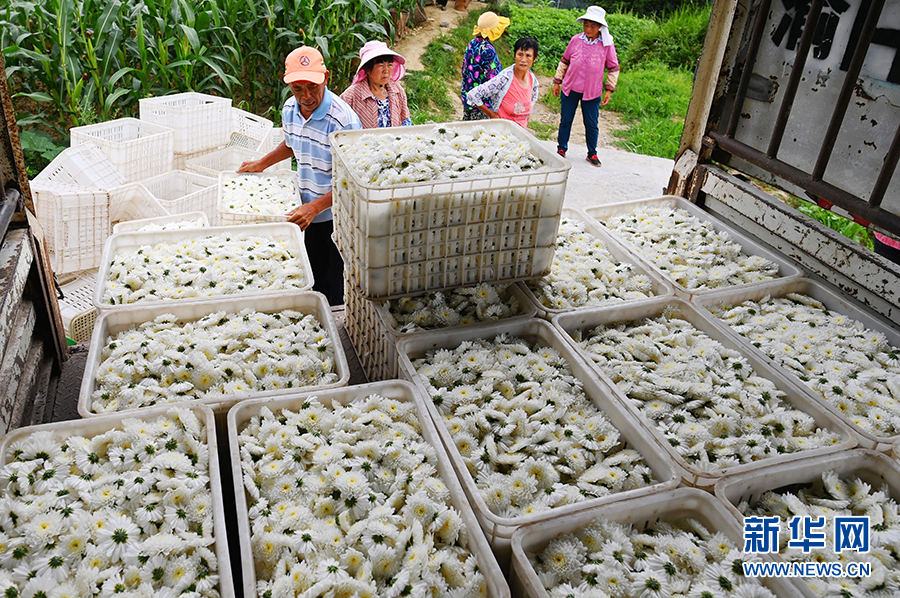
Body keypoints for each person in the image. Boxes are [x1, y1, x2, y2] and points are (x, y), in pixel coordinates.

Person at [238, 46, 361, 306]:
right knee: (309, 272)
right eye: (297, 88)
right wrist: (261, 163)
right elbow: (292, 143)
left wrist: (315, 207)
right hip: (305, 207)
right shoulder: (289, 109)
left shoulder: (343, 121)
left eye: (312, 87)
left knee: (333, 281)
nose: (306, 96)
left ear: (325, 77)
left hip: (334, 217)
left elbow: (353, 182)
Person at [552, 5, 619, 167]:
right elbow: (565, 61)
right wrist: (557, 81)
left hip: (592, 92)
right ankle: (561, 149)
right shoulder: (576, 40)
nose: (588, 29)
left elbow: (613, 67)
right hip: (570, 88)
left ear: (600, 27)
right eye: (586, 25)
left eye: (593, 26)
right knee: (566, 120)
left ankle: (592, 152)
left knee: (591, 123)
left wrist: (609, 89)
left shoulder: (606, 45)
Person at [466, 37, 539, 128]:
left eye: (528, 56)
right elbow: (473, 95)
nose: (523, 60)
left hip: (520, 132)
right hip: (502, 132)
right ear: (515, 56)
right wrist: (491, 114)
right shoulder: (504, 78)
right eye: (520, 54)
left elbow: (533, 98)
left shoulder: (533, 80)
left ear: (534, 59)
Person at [341, 41, 411, 129]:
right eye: (381, 65)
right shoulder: (351, 96)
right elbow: (341, 125)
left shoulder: (397, 90)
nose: (386, 70)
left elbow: (405, 120)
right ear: (367, 69)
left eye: (389, 65)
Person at [461, 11, 509, 121]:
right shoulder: (488, 51)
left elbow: (464, 68)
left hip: (468, 96)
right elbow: (493, 81)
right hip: (482, 105)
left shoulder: (472, 43)